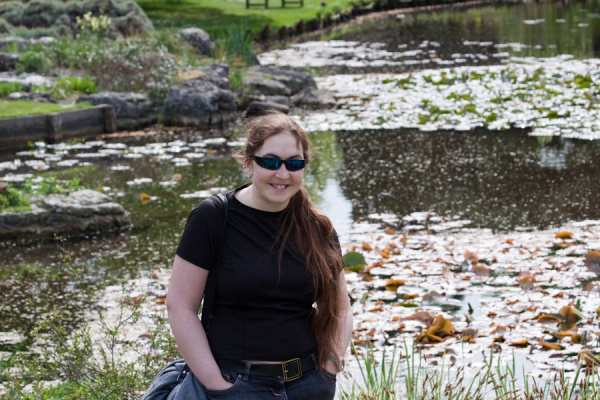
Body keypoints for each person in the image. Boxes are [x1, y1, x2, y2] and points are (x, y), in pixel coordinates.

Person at [166, 111, 354, 399]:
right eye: (269, 162)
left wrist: (330, 367)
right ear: (248, 164)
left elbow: (340, 308)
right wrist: (217, 385)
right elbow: (180, 307)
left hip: (309, 385)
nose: (282, 173)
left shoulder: (319, 227)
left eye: (293, 163)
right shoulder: (214, 217)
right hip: (234, 385)